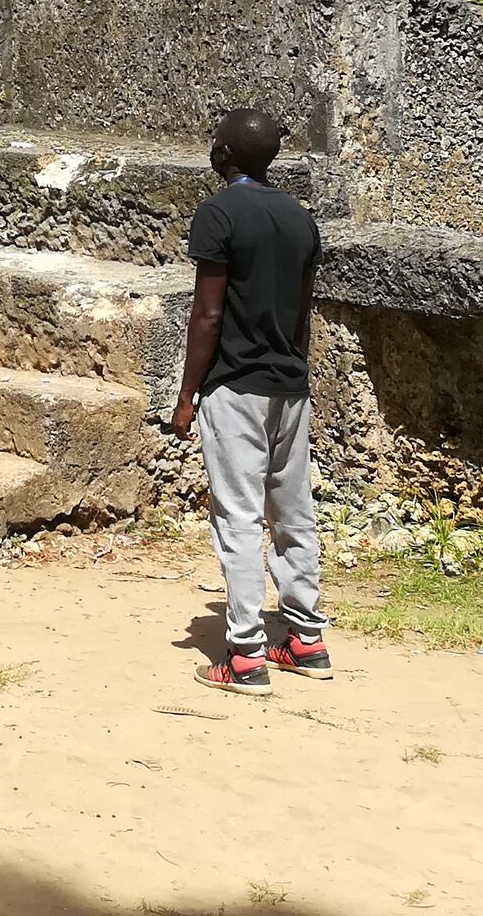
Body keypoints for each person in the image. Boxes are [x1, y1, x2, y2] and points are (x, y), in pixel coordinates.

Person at [166, 107, 331, 695]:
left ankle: (244, 655)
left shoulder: (217, 213)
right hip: (290, 386)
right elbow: (303, 313)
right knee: (293, 514)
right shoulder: (300, 218)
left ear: (229, 154)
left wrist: (187, 395)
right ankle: (306, 639)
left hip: (235, 388)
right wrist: (295, 372)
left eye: (216, 141)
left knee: (236, 518)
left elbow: (208, 313)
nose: (212, 148)